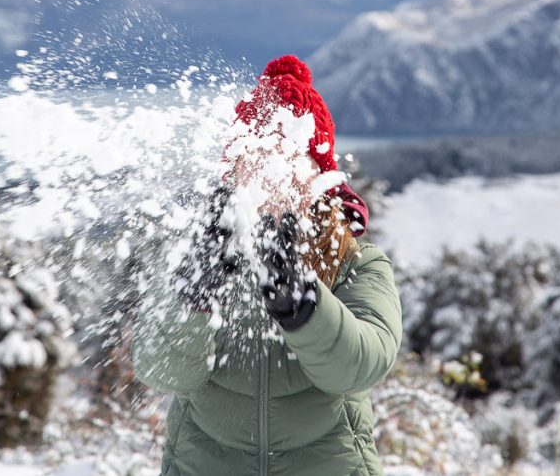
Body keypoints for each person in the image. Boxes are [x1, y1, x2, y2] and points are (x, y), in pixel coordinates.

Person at [131, 55, 402, 476]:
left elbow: (363, 367)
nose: (271, 181)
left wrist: (305, 306)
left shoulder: (354, 262)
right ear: (234, 172)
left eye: (288, 164)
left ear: (318, 177)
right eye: (256, 162)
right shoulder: (199, 253)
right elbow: (160, 370)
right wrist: (196, 293)